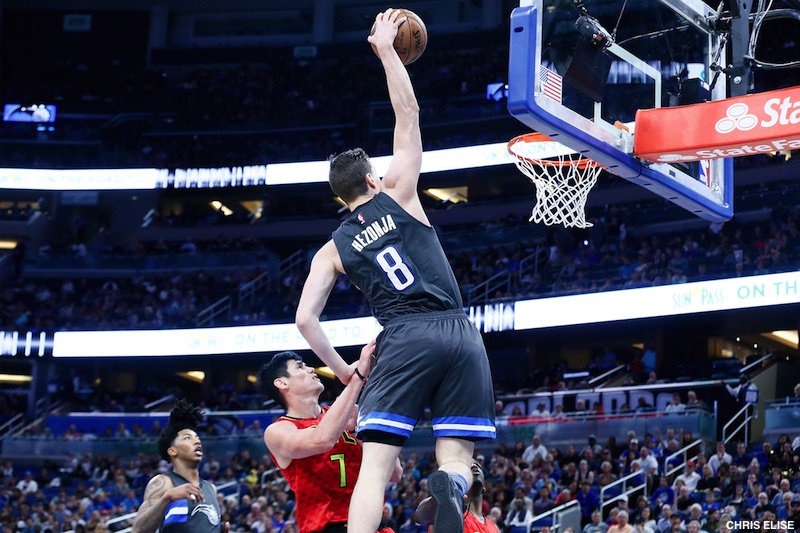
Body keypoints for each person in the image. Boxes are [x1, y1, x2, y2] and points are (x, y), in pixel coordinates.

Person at [294, 8, 495, 533]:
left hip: (403, 338)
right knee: (457, 455)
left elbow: (305, 321)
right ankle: (451, 484)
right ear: (371, 179)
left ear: (341, 196)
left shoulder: (330, 251)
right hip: (459, 331)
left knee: (375, 470)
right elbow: (409, 113)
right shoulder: (400, 192)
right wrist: (386, 50)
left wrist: (346, 372)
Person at [258, 344, 401, 533]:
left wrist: (358, 432)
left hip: (375, 525)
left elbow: (394, 474)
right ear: (282, 383)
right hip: (328, 527)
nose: (311, 369)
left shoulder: (347, 414)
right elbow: (322, 440)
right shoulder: (278, 430)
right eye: (300, 367)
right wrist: (357, 378)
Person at [131, 399, 228, 533]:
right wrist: (167, 497)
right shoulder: (164, 483)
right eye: (188, 438)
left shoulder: (211, 488)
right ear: (172, 451)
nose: (197, 441)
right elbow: (138, 530)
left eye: (197, 437)